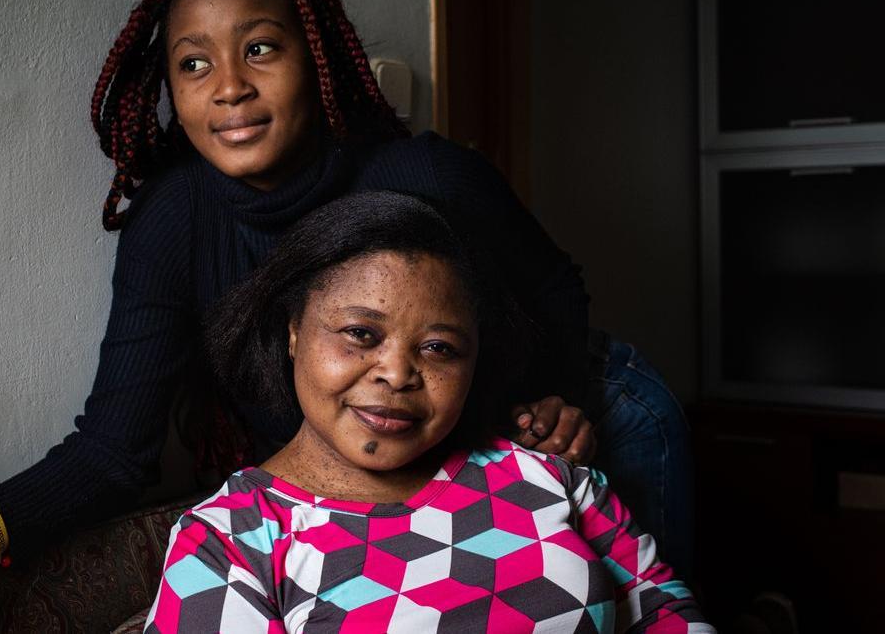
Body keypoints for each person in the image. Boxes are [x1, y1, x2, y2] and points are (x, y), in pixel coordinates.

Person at [0, 0, 690, 632]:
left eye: (259, 48)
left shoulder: (426, 174)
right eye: (195, 64)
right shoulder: (174, 220)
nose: (229, 85)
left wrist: (554, 401)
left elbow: (554, 293)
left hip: (586, 403)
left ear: (319, 59)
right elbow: (113, 451)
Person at [144, 191, 710, 632]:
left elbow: (667, 615)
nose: (396, 373)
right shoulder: (230, 543)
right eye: (360, 333)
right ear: (294, 331)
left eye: (438, 348)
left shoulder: (549, 476)